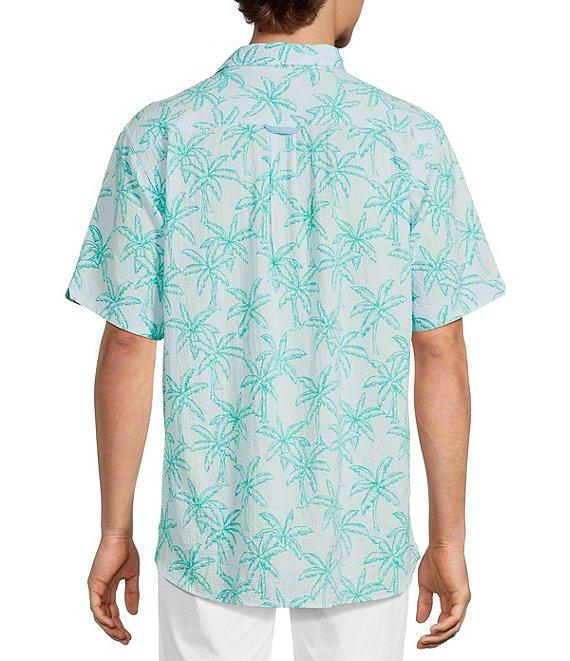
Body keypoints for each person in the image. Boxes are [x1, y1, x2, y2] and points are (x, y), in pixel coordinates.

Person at [65, 0, 505, 658]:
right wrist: (448, 540)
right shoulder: (410, 139)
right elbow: (440, 349)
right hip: (357, 528)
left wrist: (113, 529)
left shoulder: (159, 134)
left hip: (210, 526)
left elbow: (128, 341)